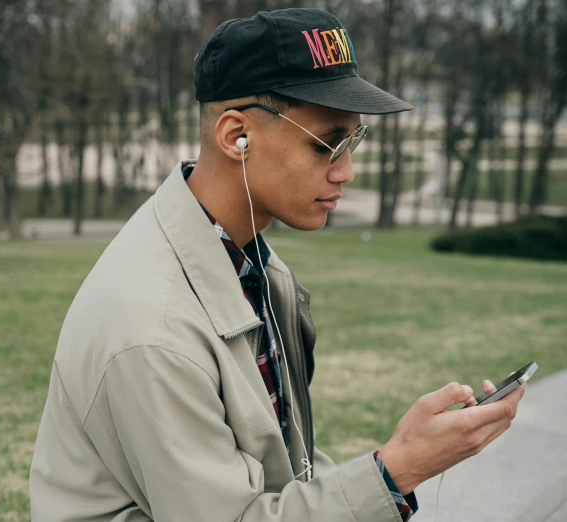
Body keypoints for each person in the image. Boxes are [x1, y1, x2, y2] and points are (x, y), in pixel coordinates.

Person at [29, 8, 526, 522]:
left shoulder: (251, 266)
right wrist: (394, 470)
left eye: (352, 141)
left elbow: (285, 479)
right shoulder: (152, 327)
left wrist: (399, 465)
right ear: (235, 136)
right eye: (327, 143)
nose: (347, 170)